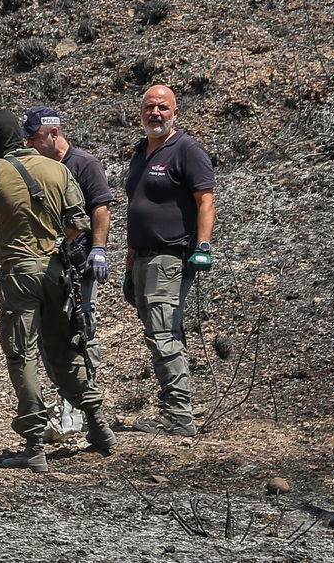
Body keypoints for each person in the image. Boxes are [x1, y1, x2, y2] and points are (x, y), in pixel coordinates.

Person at [0, 108, 117, 473]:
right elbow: (77, 222)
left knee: (23, 354)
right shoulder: (58, 168)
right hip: (57, 270)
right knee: (65, 348)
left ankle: (33, 445)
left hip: (19, 272)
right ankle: (98, 425)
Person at [123, 84, 215, 437]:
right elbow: (137, 208)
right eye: (149, 107)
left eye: (162, 107)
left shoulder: (186, 150)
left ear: (175, 111)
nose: (155, 113)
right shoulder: (140, 152)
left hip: (170, 256)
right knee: (159, 333)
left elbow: (205, 200)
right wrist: (130, 263)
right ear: (140, 112)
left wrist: (203, 246)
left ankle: (179, 416)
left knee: (163, 333)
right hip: (142, 258)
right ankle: (175, 408)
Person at [22, 106, 114, 441]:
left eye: (35, 137)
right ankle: (71, 407)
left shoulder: (82, 164)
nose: (30, 143)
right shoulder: (37, 167)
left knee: (80, 332)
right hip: (48, 264)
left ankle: (86, 411)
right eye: (28, 138)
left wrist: (98, 249)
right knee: (53, 337)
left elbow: (99, 209)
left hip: (79, 261)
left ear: (54, 134)